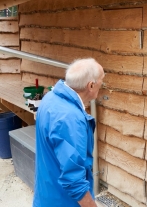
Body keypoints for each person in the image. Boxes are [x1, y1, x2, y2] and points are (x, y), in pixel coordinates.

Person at [33, 58, 105, 207]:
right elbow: (74, 181)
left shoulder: (50, 98)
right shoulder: (70, 120)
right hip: (62, 201)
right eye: (101, 82)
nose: (102, 86)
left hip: (46, 194)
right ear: (91, 85)